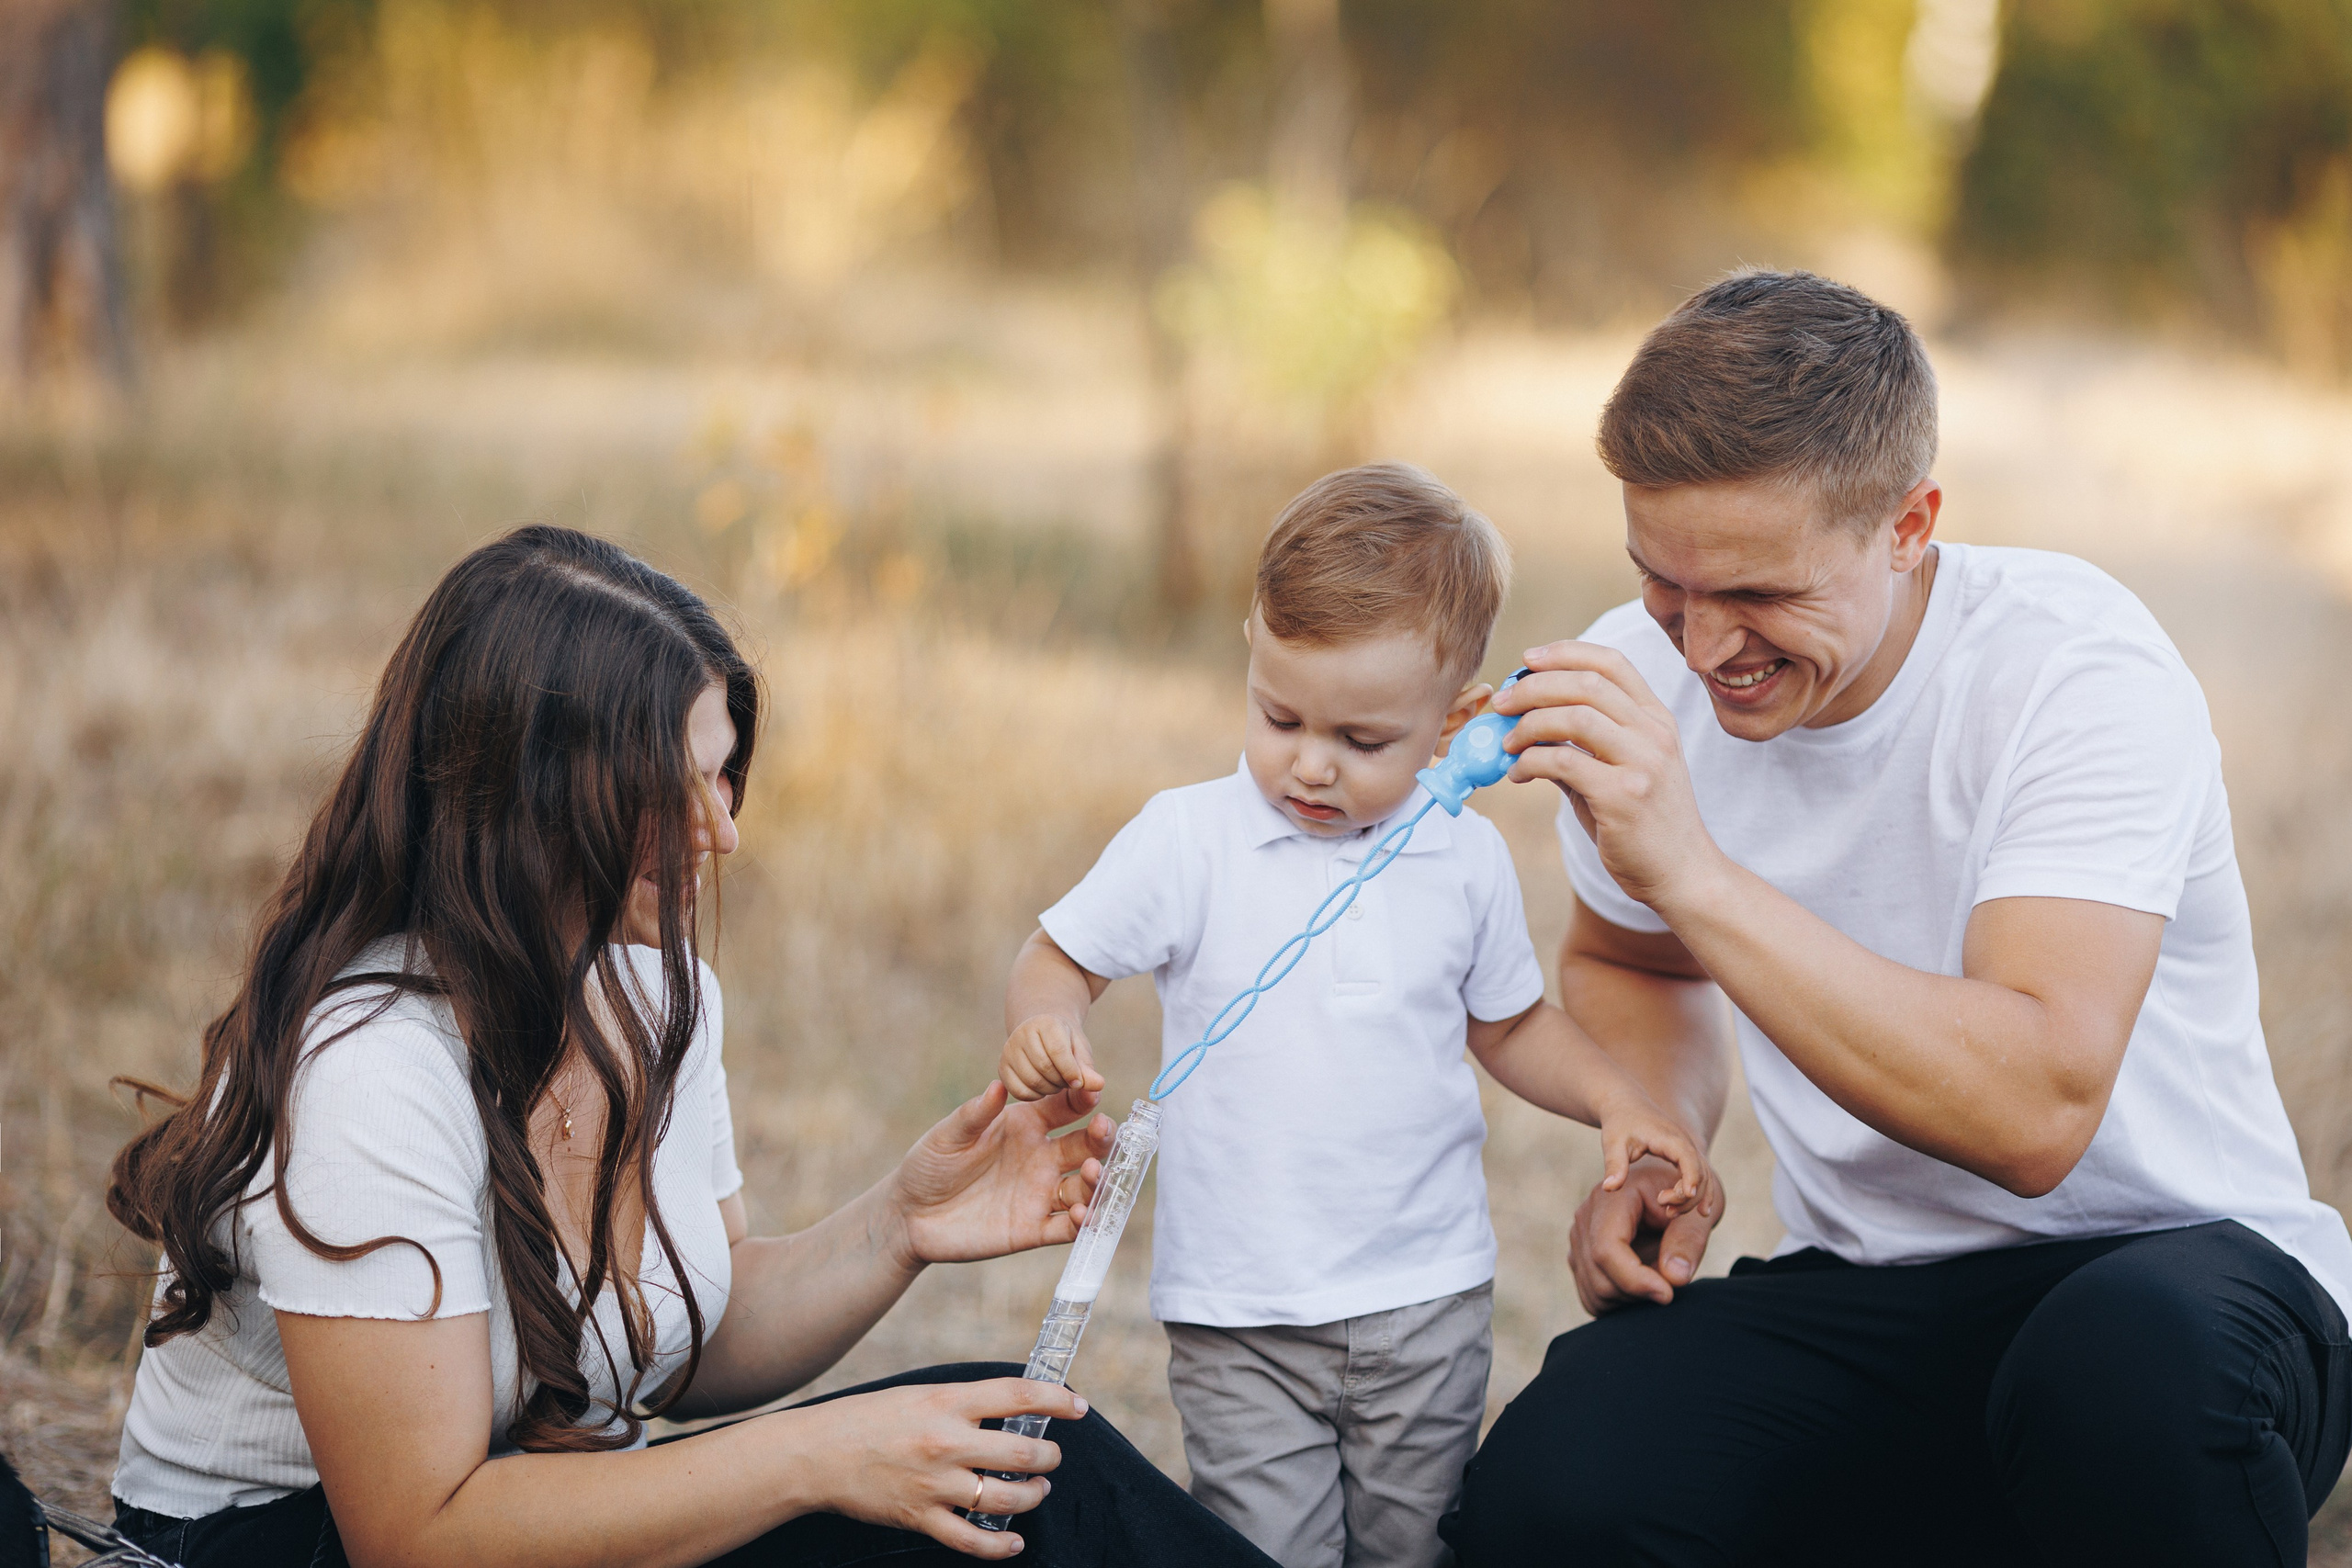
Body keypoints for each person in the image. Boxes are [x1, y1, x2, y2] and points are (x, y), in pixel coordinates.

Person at [102, 525, 1279, 1568]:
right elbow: (418, 1534)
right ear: (534, 794)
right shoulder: (370, 1070)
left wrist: (898, 1226)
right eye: (673, 791)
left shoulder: (658, 991)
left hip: (541, 1508)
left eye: (725, 775)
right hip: (296, 1545)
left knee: (1028, 1464)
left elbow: (679, 1350)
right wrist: (817, 1456)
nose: (721, 832)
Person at [1441, 270, 2352, 1566]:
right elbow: (1631, 958)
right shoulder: (1641, 674)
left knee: (2122, 1382)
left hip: (2180, 1280)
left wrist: (1692, 869)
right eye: (1663, 584)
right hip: (1877, 1290)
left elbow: (2032, 1111)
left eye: (1758, 593)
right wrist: (1652, 1141)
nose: (1703, 649)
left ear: (1910, 523)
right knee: (1561, 1482)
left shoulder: (2074, 670)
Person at [994, 465, 1718, 1568]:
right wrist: (1046, 1023)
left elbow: (1512, 1027)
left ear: (1454, 726)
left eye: (1364, 740)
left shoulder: (1463, 860)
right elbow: (1061, 957)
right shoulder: (1189, 841)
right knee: (1264, 1551)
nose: (1311, 764)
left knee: (1413, 1547)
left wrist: (1619, 1099)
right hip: (1243, 1311)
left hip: (1423, 1298)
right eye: (1279, 716)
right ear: (1251, 650)